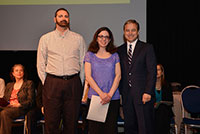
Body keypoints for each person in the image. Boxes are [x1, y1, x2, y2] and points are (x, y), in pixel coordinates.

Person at [37, 8, 86, 134]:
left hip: (73, 84)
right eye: (60, 16)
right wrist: (47, 82)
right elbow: (41, 64)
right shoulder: (45, 39)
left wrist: (78, 82)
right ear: (55, 19)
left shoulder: (78, 39)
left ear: (69, 19)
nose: (63, 18)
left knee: (71, 123)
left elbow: (83, 63)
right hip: (52, 83)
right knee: (51, 123)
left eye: (66, 16)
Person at [117, 19, 157, 134]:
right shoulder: (119, 50)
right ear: (124, 32)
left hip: (143, 95)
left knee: (145, 127)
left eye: (133, 30)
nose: (130, 33)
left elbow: (152, 71)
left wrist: (148, 92)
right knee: (129, 126)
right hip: (126, 95)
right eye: (127, 30)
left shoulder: (147, 48)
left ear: (138, 32)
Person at [84, 27, 121, 134]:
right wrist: (102, 94)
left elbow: (118, 76)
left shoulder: (115, 55)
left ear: (110, 40)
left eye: (106, 37)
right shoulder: (89, 55)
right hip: (95, 98)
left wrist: (109, 95)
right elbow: (88, 77)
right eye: (101, 36)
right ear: (96, 38)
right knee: (95, 130)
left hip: (113, 98)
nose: (103, 39)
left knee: (110, 129)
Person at [0, 64, 35, 134]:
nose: (19, 72)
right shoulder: (9, 85)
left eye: (21, 70)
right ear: (13, 73)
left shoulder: (29, 83)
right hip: (9, 107)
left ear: (24, 72)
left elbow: (31, 101)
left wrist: (19, 104)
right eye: (16, 71)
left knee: (4, 113)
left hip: (21, 108)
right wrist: (5, 103)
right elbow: (5, 98)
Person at [154, 64, 174, 134]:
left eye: (158, 70)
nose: (156, 72)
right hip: (153, 110)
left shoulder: (167, 85)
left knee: (162, 109)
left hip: (165, 111)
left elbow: (171, 102)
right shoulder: (149, 86)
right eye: (155, 70)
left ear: (162, 72)